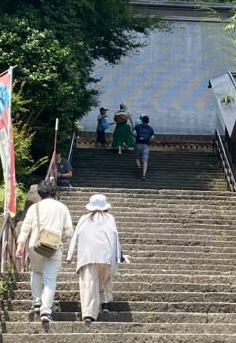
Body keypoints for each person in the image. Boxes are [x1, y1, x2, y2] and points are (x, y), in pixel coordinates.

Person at [15, 181, 74, 323]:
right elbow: (69, 232)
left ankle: (36, 302)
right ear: (55, 192)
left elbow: (25, 228)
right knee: (49, 279)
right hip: (53, 246)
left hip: (35, 245)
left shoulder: (34, 207)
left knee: (36, 272)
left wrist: (20, 245)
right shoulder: (62, 208)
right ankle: (45, 311)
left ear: (40, 193)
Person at [66, 194, 122, 325]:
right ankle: (105, 304)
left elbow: (75, 237)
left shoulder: (84, 219)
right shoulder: (110, 218)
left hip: (88, 256)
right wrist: (118, 256)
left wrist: (69, 255)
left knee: (89, 285)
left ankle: (89, 314)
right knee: (104, 281)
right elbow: (115, 237)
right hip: (106, 257)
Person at [133, 115, 155, 181]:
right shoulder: (150, 128)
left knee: (137, 158)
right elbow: (153, 137)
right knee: (145, 160)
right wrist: (148, 138)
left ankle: (139, 166)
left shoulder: (138, 126)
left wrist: (137, 137)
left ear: (142, 121)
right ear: (148, 121)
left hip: (138, 144)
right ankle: (144, 175)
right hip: (146, 145)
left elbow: (133, 133)